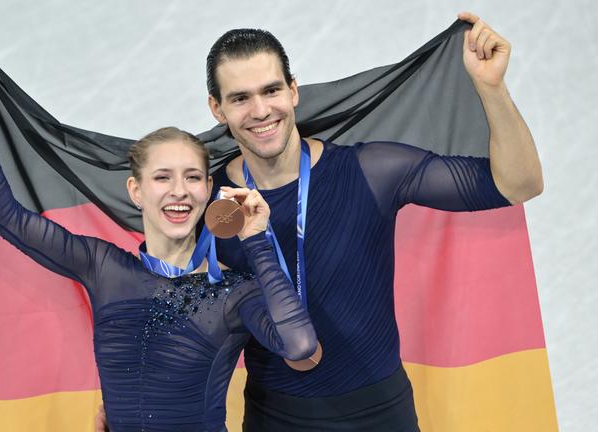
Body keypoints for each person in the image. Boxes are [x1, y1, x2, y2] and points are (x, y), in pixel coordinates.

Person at [94, 11, 544, 432]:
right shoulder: (206, 203)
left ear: (293, 90)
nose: (260, 110)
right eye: (240, 98)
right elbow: (157, 296)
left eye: (271, 90)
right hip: (275, 418)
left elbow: (518, 185)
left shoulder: (372, 171)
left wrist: (491, 88)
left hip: (381, 414)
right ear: (217, 108)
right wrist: (127, 396)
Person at [0, 41, 319, 432]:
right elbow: (1, 214)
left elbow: (300, 345)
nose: (179, 191)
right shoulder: (104, 267)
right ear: (136, 190)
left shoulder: (235, 293)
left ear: (207, 187)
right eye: (162, 178)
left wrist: (256, 239)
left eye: (191, 178)